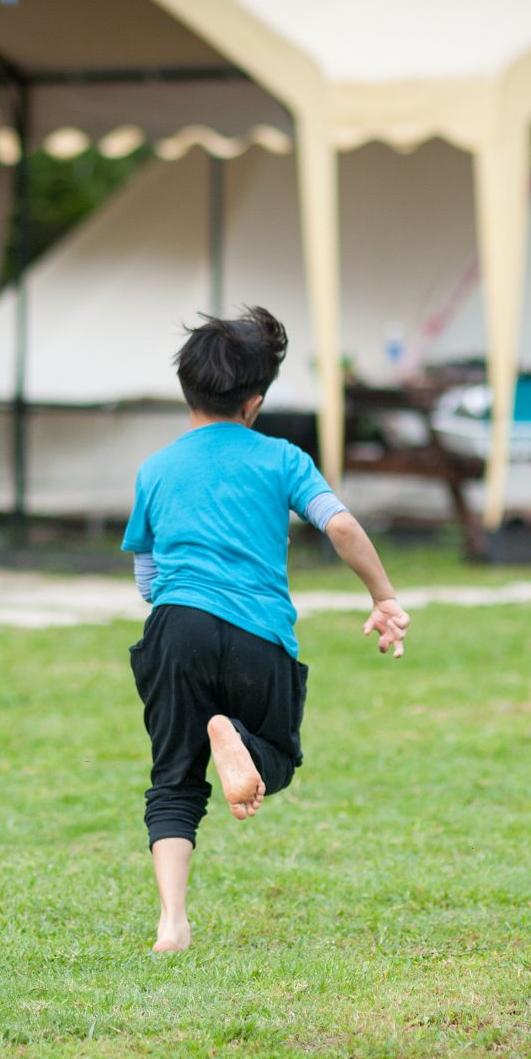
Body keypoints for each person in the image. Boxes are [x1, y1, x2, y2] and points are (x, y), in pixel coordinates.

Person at [122, 305, 409, 953]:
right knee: (274, 758)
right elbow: (337, 524)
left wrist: (180, 600)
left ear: (185, 389)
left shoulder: (156, 469)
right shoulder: (281, 458)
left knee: (173, 777)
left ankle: (172, 922)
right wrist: (382, 595)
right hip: (257, 635)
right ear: (254, 402)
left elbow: (147, 577)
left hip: (175, 627)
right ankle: (234, 735)